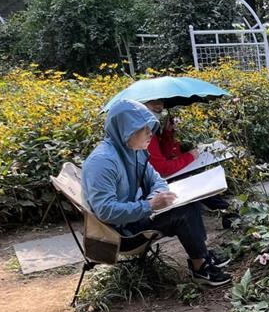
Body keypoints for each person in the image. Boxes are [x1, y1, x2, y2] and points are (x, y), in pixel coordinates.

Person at [81, 99, 231, 287]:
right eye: (144, 128)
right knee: (183, 212)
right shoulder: (103, 162)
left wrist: (154, 200)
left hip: (135, 215)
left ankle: (202, 256)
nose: (150, 133)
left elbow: (157, 180)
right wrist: (150, 206)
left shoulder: (134, 151)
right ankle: (200, 268)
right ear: (126, 129)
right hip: (120, 232)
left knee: (190, 202)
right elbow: (105, 211)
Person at [143, 99, 236, 228]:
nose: (159, 106)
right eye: (153, 103)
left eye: (160, 102)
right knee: (192, 181)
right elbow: (162, 169)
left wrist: (168, 133)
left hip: (156, 176)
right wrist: (189, 157)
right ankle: (228, 211)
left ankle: (228, 211)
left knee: (194, 175)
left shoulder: (150, 126)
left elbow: (164, 155)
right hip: (152, 184)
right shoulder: (143, 131)